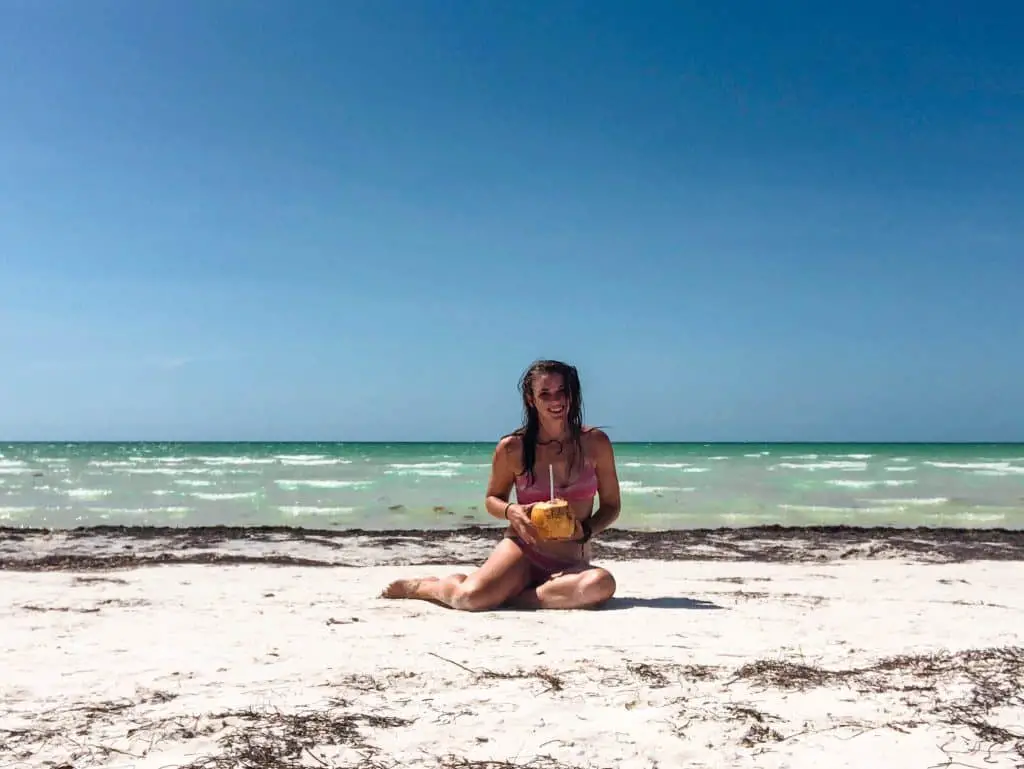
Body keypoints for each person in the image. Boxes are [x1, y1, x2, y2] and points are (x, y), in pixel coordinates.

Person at [381, 359, 621, 611]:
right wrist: (511, 511)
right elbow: (492, 499)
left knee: (601, 584)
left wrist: (584, 531)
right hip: (522, 551)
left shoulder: (595, 443)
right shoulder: (512, 448)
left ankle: (510, 596)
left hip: (572, 558)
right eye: (545, 393)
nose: (555, 400)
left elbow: (611, 506)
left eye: (562, 391)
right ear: (531, 399)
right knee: (469, 599)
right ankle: (426, 587)